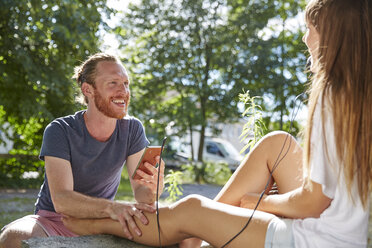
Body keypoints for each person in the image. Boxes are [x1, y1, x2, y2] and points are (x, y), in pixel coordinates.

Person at [59, 0, 371, 247]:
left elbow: (313, 202)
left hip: (314, 239)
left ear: (331, 34)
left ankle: (103, 224)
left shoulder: (330, 96)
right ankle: (202, 233)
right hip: (344, 232)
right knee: (278, 142)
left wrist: (259, 203)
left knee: (193, 206)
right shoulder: (357, 93)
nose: (305, 37)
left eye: (310, 27)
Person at [0, 53, 165, 248]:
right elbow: (62, 200)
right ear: (88, 89)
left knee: (177, 231)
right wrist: (112, 208)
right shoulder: (60, 130)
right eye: (113, 83)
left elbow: (142, 195)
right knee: (12, 237)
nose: (124, 91)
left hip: (99, 221)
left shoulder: (132, 129)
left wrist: (155, 185)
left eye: (126, 83)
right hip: (53, 220)